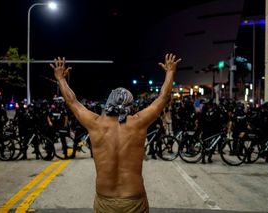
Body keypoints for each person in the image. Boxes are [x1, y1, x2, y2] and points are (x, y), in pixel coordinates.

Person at [50, 54, 181, 213]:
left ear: (108, 103)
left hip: (105, 200)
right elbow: (164, 97)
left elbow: (72, 102)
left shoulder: (95, 124)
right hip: (134, 199)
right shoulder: (138, 123)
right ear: (129, 106)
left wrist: (61, 79)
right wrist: (170, 72)